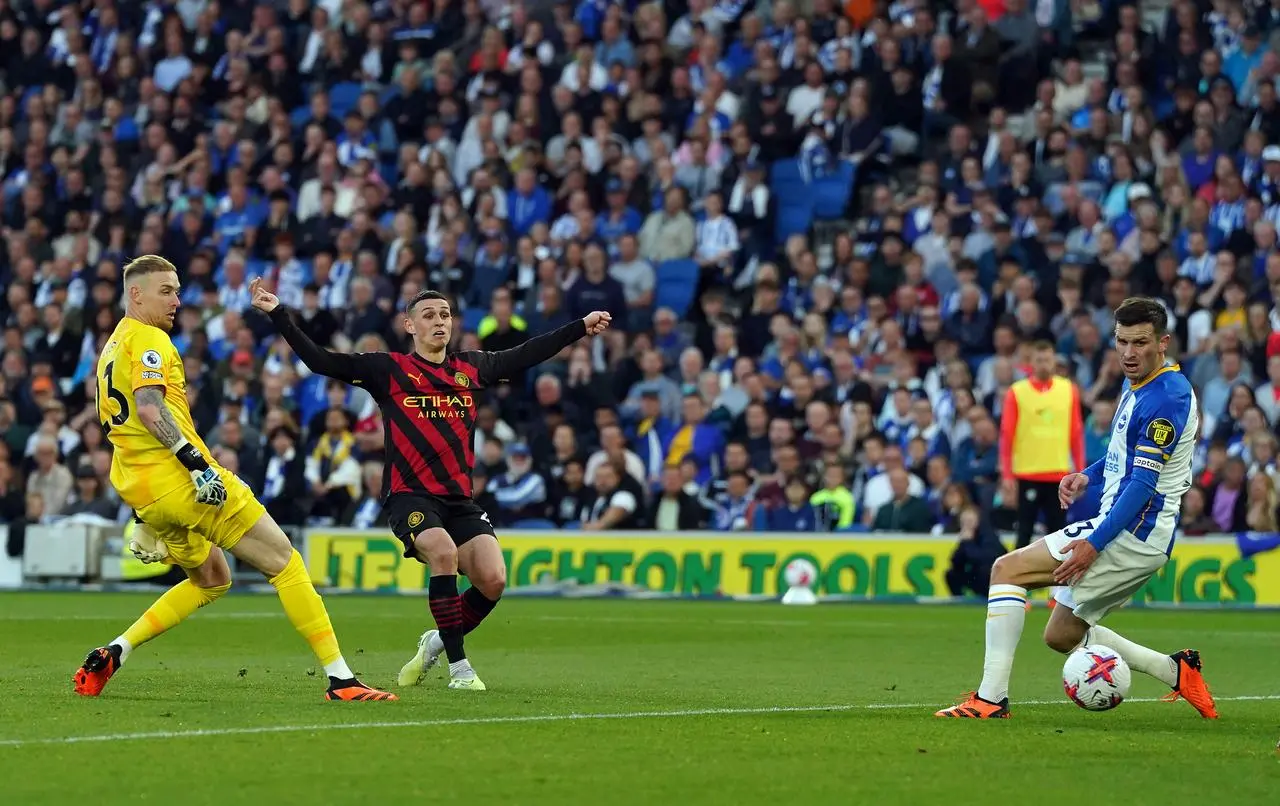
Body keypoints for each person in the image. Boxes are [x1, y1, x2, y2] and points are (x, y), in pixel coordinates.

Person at [253, 279, 611, 691]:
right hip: (410, 496)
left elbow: (528, 353)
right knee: (443, 552)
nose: (440, 322)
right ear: (409, 325)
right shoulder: (388, 370)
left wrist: (579, 326)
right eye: (429, 316)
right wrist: (279, 313)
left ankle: (437, 641)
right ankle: (459, 669)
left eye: (445, 315)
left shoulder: (473, 368)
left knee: (493, 580)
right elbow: (321, 361)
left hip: (459, 500)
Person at [73, 255, 395, 702]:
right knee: (286, 561)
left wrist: (146, 513)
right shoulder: (150, 340)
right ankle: (341, 679)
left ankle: (116, 651)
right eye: (166, 290)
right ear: (135, 293)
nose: (176, 300)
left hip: (146, 493)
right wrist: (197, 464)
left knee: (212, 579)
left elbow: (123, 429)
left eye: (178, 290)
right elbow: (148, 408)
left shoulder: (111, 347)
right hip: (187, 482)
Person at [936, 298, 1218, 719]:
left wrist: (1094, 544)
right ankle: (1174, 669)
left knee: (1006, 570)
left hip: (1133, 533)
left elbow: (1143, 484)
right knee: (1061, 634)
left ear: (1163, 343)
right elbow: (1125, 457)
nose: (1128, 353)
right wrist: (1088, 474)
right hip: (1126, 528)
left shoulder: (1168, 397)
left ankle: (990, 699)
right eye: (1121, 342)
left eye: (1140, 343)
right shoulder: (1137, 381)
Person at [999, 340, 1086, 549]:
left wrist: (1080, 470)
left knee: (1058, 532)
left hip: (1058, 473)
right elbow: (1007, 434)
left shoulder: (1068, 390)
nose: (1044, 364)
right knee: (1024, 531)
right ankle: (1019, 580)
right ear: (1031, 363)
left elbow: (1076, 433)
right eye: (1039, 360)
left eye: (1048, 359)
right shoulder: (1017, 392)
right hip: (1028, 473)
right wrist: (1007, 474)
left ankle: (1058, 580)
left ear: (1054, 361)